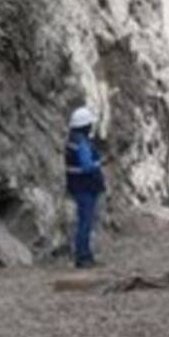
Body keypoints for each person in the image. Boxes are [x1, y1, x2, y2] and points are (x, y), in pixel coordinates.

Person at [65, 106, 106, 268]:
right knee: (85, 222)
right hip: (86, 187)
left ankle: (84, 254)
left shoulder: (72, 141)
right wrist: (100, 163)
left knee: (84, 221)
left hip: (76, 186)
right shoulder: (81, 143)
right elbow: (87, 166)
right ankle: (83, 256)